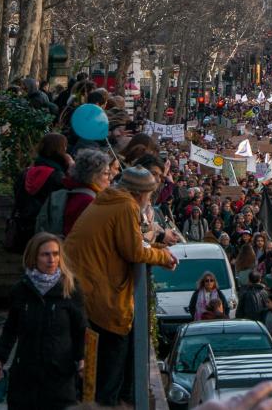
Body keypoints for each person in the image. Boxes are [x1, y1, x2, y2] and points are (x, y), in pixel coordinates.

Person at [63, 165, 177, 406]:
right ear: (141, 193)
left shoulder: (109, 200)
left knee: (109, 359)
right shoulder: (125, 206)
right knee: (113, 360)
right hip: (101, 292)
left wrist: (158, 250)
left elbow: (129, 243)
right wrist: (163, 257)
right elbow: (134, 250)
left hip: (88, 286)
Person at [0, 232, 85, 410]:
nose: (52, 259)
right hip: (26, 376)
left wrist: (82, 358)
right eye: (45, 254)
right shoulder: (21, 290)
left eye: (56, 254)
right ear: (34, 257)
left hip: (60, 378)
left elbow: (81, 330)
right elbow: (10, 329)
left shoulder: (70, 289)